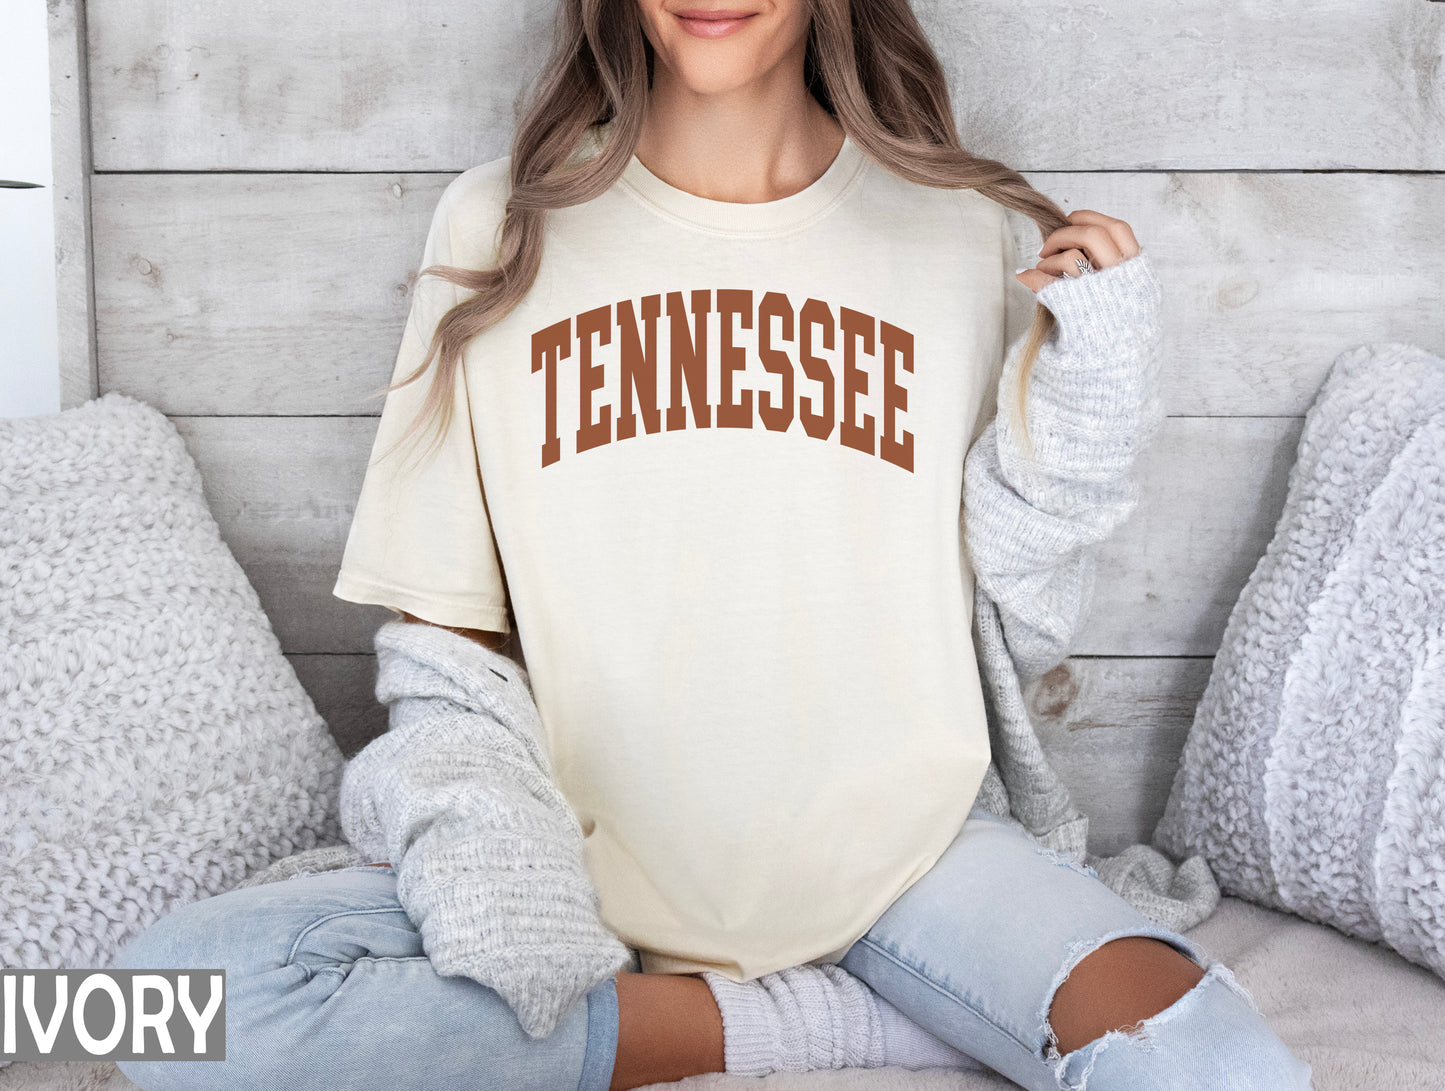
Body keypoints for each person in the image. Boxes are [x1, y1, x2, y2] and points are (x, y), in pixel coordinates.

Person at [113, 1, 1315, 1089]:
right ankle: (823, 1019)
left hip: (910, 863)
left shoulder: (966, 230)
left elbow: (1020, 587)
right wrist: (493, 873)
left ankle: (819, 998)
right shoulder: (500, 224)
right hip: (579, 867)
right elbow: (444, 632)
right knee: (133, 1014)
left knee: (1221, 1066)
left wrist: (1094, 407)